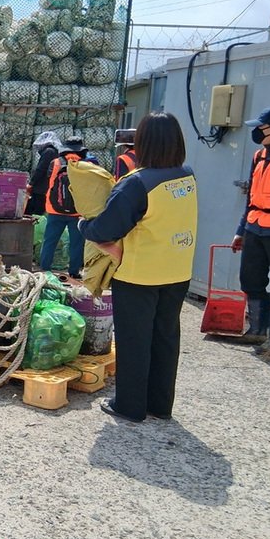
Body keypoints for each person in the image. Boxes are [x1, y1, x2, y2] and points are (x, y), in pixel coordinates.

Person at [78, 112, 198, 422]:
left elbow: (104, 229)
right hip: (177, 270)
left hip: (139, 273)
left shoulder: (137, 183)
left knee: (134, 340)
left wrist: (84, 226)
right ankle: (160, 405)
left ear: (141, 143)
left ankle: (129, 406)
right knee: (165, 338)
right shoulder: (187, 176)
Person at [231, 105, 270, 353]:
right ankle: (256, 332)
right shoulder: (258, 156)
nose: (257, 132)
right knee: (250, 279)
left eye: (262, 127)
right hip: (255, 227)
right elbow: (251, 196)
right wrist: (241, 230)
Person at [38, 135, 90, 279]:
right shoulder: (86, 164)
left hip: (54, 209)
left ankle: (45, 269)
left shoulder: (55, 162)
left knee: (50, 240)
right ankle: (74, 271)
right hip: (77, 211)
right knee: (76, 242)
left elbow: (50, 182)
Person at [25, 131, 61, 215]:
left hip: (41, 189)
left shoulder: (49, 152)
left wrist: (31, 183)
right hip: (48, 187)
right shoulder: (56, 153)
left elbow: (40, 169)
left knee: (35, 212)